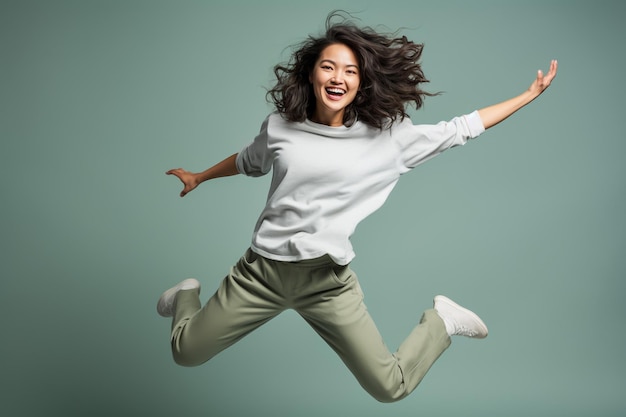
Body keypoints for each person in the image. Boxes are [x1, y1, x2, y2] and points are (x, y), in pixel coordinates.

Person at [157, 13, 558, 403]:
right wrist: (199, 177)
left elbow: (460, 129)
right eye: (328, 67)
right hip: (262, 273)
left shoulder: (388, 140)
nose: (338, 78)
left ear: (361, 81)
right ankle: (186, 294)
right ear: (312, 74)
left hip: (326, 283)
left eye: (349, 71)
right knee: (185, 351)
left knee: (390, 388)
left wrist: (527, 96)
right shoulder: (281, 126)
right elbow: (248, 160)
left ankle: (441, 320)